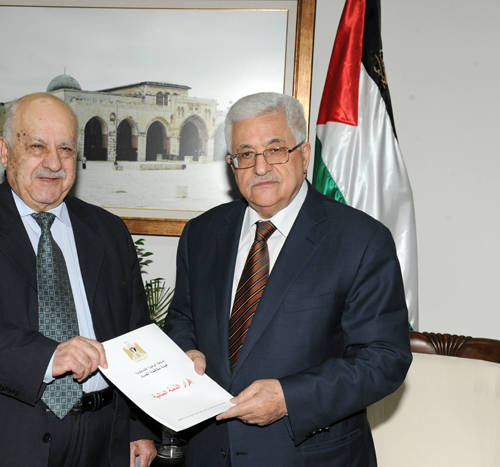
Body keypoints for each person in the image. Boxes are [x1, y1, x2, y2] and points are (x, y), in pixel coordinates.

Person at [164, 92, 412, 466]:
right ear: (232, 164)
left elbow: (384, 358)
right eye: (246, 154)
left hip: (311, 456)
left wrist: (289, 398)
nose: (260, 167)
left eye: (275, 149)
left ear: (304, 154)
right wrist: (186, 352)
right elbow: (182, 318)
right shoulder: (201, 233)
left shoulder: (361, 239)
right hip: (210, 452)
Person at [0, 93, 156, 467]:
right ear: (5, 151)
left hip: (102, 441)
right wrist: (49, 357)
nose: (53, 163)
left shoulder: (109, 232)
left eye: (66, 149)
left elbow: (134, 329)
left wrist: (139, 425)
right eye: (37, 146)